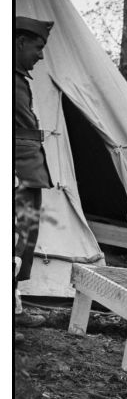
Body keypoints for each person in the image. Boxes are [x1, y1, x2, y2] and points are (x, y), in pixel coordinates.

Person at [15, 16, 55, 334]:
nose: (40, 55)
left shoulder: (19, 80)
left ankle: (14, 307)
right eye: (38, 47)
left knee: (22, 244)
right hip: (18, 176)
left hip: (28, 176)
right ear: (19, 42)